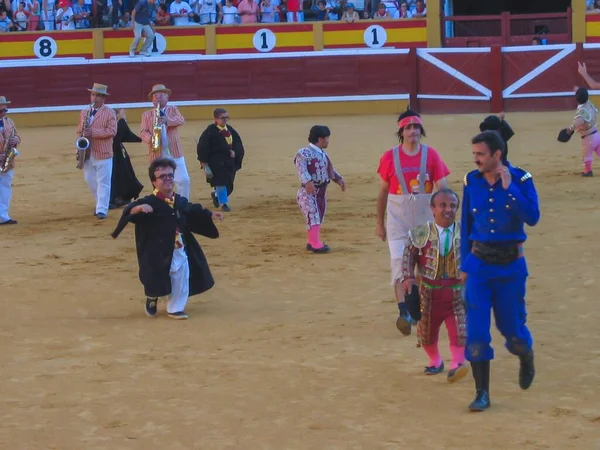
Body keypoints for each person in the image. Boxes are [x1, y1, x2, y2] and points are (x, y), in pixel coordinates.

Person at [461, 130, 540, 412]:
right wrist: (463, 266)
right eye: (474, 155)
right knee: (477, 333)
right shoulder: (471, 181)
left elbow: (532, 217)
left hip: (510, 268)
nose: (476, 160)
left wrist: (511, 190)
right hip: (479, 266)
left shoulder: (521, 179)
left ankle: (525, 354)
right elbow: (466, 227)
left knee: (513, 330)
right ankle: (482, 393)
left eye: (481, 154)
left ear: (497, 154)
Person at [111, 158, 224, 320]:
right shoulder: (148, 202)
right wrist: (137, 209)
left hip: (179, 247)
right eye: (162, 177)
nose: (168, 179)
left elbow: (192, 209)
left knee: (181, 275)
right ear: (153, 182)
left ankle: (176, 308)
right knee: (156, 280)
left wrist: (210, 214)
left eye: (170, 175)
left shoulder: (178, 200)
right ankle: (152, 296)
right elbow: (130, 213)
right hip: (156, 252)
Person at [376, 109, 450, 336]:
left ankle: (414, 302)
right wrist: (380, 223)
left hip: (425, 222)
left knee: (424, 267)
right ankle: (403, 312)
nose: (413, 131)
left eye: (416, 127)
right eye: (408, 128)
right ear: (401, 131)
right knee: (399, 263)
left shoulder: (432, 156)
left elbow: (444, 190)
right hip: (397, 221)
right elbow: (384, 192)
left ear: (421, 130)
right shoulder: (389, 157)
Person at [401, 189, 468, 382]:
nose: (448, 210)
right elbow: (408, 256)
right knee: (427, 333)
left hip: (456, 292)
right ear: (432, 208)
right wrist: (408, 278)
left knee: (460, 330)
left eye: (452, 206)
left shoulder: (465, 233)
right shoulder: (420, 233)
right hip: (428, 294)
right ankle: (436, 360)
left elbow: (476, 255)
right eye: (443, 205)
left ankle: (457, 364)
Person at [293, 125, 345, 253]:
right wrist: (308, 182)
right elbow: (301, 168)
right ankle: (315, 243)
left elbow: (328, 169)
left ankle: (312, 241)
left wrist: (338, 179)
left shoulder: (322, 153)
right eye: (327, 138)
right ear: (321, 139)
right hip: (308, 192)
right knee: (314, 216)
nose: (328, 140)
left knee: (318, 215)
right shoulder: (304, 153)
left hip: (321, 191)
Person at [140, 84, 191, 199]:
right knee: (159, 183)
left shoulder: (173, 109)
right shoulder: (147, 115)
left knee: (184, 180)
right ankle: (163, 206)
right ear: (152, 100)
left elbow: (181, 120)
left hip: (174, 151)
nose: (158, 98)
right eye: (155, 96)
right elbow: (143, 132)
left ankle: (183, 204)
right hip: (157, 153)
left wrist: (167, 120)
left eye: (161, 95)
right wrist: (151, 139)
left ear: (167, 97)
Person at [77, 83, 117, 220]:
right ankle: (99, 203)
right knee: (90, 180)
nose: (95, 98)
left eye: (98, 96)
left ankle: (101, 209)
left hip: (103, 152)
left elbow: (112, 131)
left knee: (103, 182)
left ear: (103, 98)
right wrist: (80, 141)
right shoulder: (84, 112)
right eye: (93, 95)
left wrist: (92, 132)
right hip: (87, 152)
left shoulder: (110, 112)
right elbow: (79, 130)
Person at [197, 108, 245, 212]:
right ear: (216, 119)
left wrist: (235, 152)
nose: (225, 120)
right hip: (216, 163)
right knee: (221, 183)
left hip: (229, 163)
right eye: (222, 118)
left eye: (226, 117)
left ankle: (216, 195)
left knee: (229, 184)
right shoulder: (210, 131)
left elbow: (238, 143)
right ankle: (224, 203)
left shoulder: (230, 129)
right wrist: (204, 162)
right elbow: (203, 147)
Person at [558, 86, 599, 177]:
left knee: (586, 155)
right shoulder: (589, 103)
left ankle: (588, 171)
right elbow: (584, 96)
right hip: (596, 134)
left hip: (588, 138)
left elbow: (578, 121)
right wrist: (579, 91)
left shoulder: (581, 113)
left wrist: (569, 129)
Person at [110, 109, 144, 209]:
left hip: (118, 152)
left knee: (121, 173)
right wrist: (122, 120)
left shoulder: (115, 125)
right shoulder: (115, 126)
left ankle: (118, 197)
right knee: (117, 174)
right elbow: (119, 133)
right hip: (111, 153)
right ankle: (115, 197)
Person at [0, 96, 21, 225]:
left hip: (7, 159)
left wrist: (16, 140)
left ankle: (3, 216)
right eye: (1, 111)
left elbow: (17, 136)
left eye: (5, 110)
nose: (4, 113)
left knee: (5, 188)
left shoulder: (9, 122)